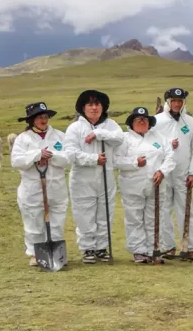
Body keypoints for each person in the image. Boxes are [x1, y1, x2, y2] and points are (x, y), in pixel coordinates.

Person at [65, 90, 124, 264]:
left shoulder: (111, 125)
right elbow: (71, 154)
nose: (94, 108)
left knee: (105, 213)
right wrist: (94, 159)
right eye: (90, 104)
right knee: (84, 213)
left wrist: (99, 134)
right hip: (83, 178)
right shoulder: (75, 128)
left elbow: (119, 138)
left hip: (106, 175)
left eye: (97, 104)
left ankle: (101, 247)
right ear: (83, 107)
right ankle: (88, 248)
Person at [11, 102, 70, 266]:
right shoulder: (23, 139)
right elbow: (16, 161)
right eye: (39, 117)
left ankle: (57, 253)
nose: (43, 120)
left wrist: (52, 156)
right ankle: (35, 253)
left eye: (45, 117)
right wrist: (37, 154)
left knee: (57, 222)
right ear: (31, 120)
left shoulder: (59, 136)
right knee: (34, 222)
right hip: (32, 188)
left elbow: (68, 158)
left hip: (56, 186)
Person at [114, 107, 175, 263]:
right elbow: (117, 160)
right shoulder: (125, 139)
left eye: (144, 119)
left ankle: (153, 248)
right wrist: (135, 162)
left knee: (154, 217)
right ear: (132, 122)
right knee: (134, 218)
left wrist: (162, 172)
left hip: (156, 184)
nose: (141, 122)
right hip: (132, 185)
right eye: (138, 119)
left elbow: (170, 157)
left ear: (149, 122)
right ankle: (138, 250)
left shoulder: (159, 137)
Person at [153, 87, 193, 262]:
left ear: (184, 102)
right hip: (164, 173)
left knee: (186, 210)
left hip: (184, 173)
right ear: (168, 102)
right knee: (164, 209)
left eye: (180, 101)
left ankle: (190, 247)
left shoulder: (190, 122)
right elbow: (150, 143)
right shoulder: (157, 121)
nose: (176, 104)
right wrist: (167, 144)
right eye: (173, 101)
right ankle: (168, 246)